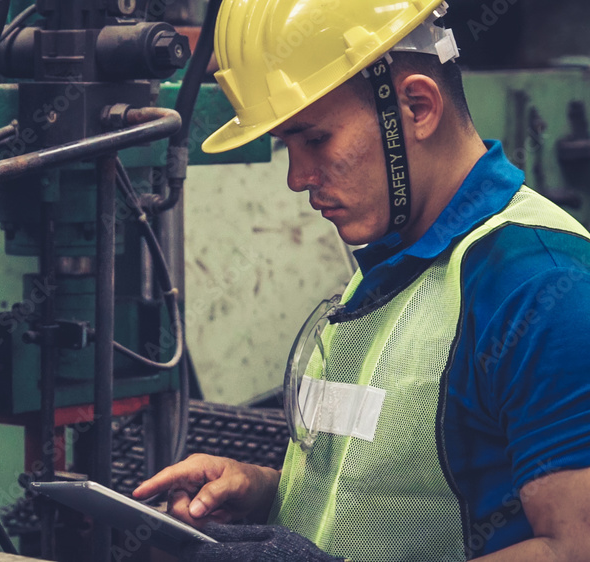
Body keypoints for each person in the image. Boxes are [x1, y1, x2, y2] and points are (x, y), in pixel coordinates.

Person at [134, 0, 590, 560]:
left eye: (315, 140)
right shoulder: (395, 264)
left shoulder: (538, 284)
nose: (297, 177)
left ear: (418, 106)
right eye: (287, 146)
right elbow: (391, 494)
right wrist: (266, 493)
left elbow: (573, 547)